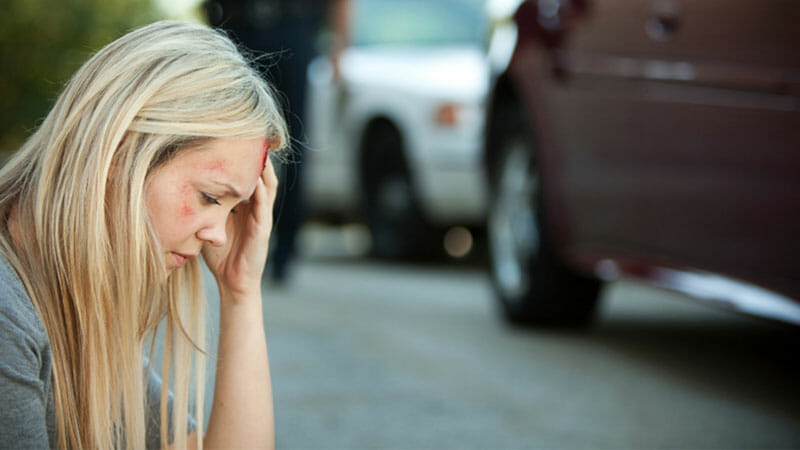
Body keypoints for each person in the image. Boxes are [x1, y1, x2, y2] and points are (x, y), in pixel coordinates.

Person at [0, 21, 288, 449]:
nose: (218, 234)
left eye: (234, 208)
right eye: (211, 197)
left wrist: (240, 292)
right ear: (121, 150)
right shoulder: (9, 318)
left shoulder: (78, 310)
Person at [205, 0, 350, 284]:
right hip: (239, 24)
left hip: (293, 26)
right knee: (231, 133)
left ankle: (285, 251)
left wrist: (340, 47)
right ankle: (223, 233)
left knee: (294, 142)